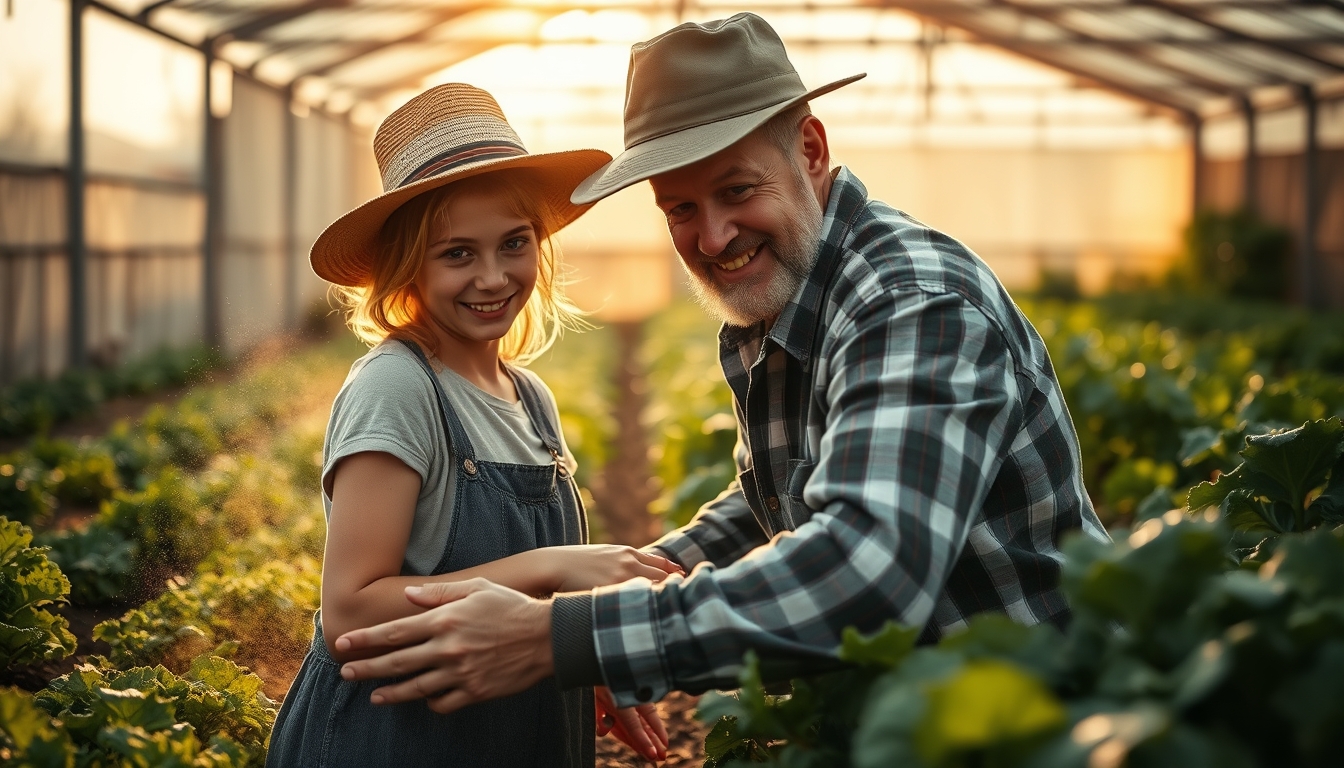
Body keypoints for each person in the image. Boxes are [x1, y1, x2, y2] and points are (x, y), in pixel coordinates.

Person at [332, 13, 1110, 718]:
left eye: (737, 190)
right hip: (925, 714)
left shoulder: (910, 305)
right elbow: (775, 494)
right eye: (680, 209)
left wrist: (569, 636)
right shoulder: (782, 296)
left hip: (1039, 722)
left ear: (810, 151)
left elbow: (868, 571)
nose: (712, 238)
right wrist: (653, 569)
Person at [265, 83, 682, 767]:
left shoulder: (531, 397)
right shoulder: (399, 387)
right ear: (408, 267)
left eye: (514, 244)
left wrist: (583, 655)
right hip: (399, 743)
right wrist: (554, 565)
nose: (492, 277)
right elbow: (351, 612)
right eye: (457, 253)